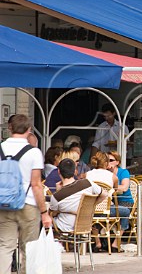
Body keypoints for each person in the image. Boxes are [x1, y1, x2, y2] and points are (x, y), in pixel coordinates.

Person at [0, 114, 52, 274]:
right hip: (28, 204)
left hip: (4, 203)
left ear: (10, 128)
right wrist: (44, 213)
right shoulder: (33, 152)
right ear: (29, 130)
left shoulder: (1, 149)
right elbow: (36, 185)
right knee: (28, 249)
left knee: (5, 246)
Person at [49, 158, 106, 233]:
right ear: (75, 171)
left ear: (59, 171)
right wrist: (91, 206)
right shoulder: (87, 183)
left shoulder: (57, 196)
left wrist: (58, 191)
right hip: (85, 225)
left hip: (66, 227)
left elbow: (52, 213)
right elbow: (104, 194)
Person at [107, 151, 133, 252]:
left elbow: (124, 187)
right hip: (110, 201)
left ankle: (116, 242)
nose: (108, 163)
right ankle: (99, 242)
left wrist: (111, 189)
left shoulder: (123, 172)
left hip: (125, 200)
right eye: (107, 160)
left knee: (124, 212)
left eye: (111, 160)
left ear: (117, 162)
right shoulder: (104, 173)